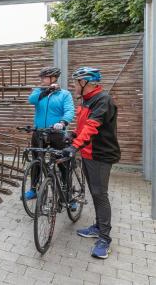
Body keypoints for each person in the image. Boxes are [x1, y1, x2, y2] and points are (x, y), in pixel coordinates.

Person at [62, 67, 121, 259]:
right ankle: (97, 227)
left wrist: (75, 146)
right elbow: (83, 127)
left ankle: (105, 239)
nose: (73, 85)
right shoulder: (87, 100)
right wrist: (73, 135)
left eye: (75, 82)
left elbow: (92, 127)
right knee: (95, 192)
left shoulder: (103, 100)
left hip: (101, 155)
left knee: (100, 194)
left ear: (85, 82)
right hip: (88, 153)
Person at [25, 67, 75, 200]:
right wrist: (46, 90)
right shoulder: (39, 92)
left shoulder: (64, 94)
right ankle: (34, 189)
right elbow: (31, 100)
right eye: (41, 78)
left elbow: (69, 110)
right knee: (37, 161)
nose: (42, 80)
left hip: (57, 133)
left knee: (62, 163)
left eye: (44, 78)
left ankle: (68, 194)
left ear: (53, 78)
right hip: (39, 132)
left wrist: (63, 122)